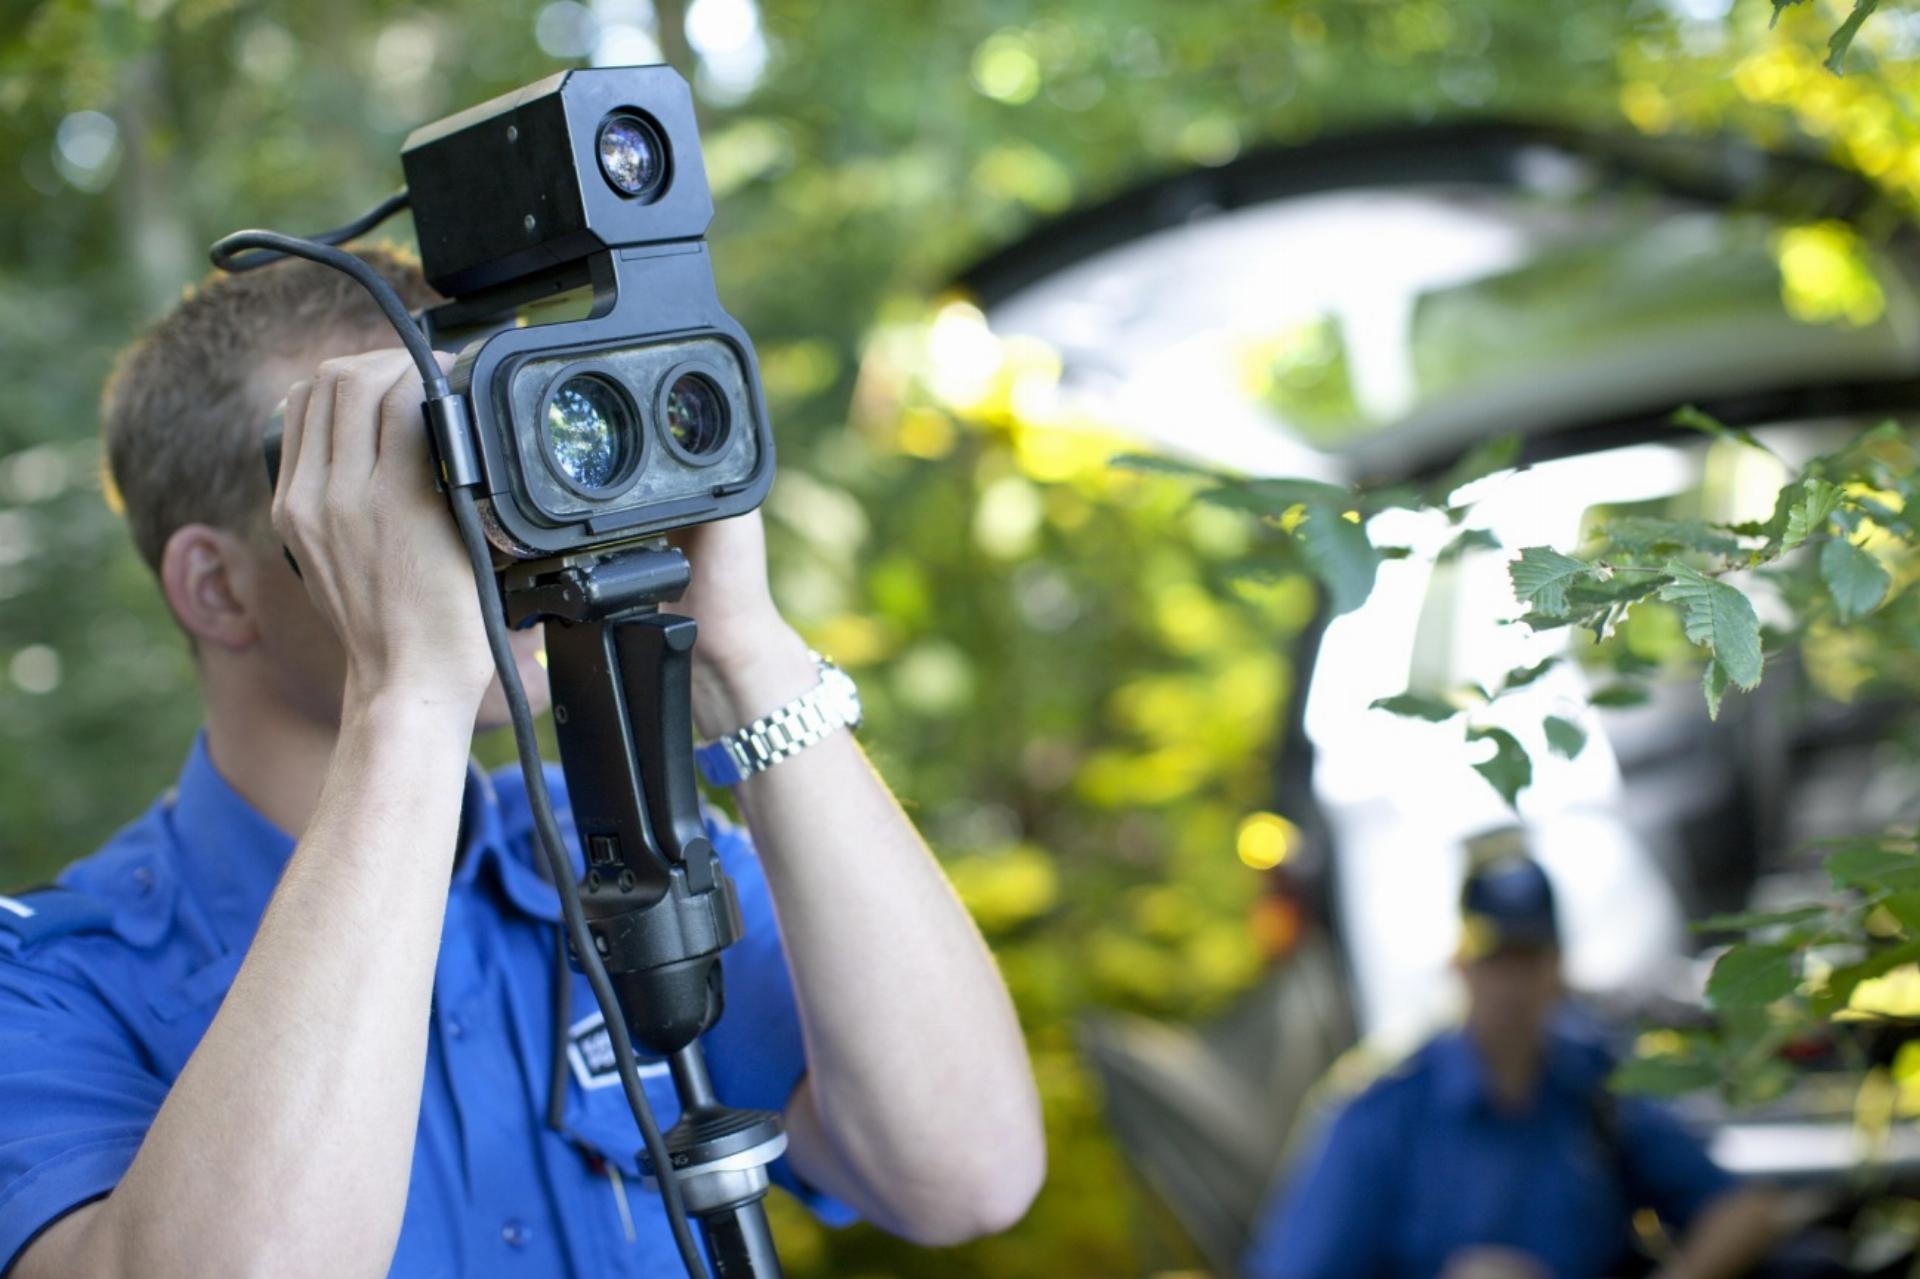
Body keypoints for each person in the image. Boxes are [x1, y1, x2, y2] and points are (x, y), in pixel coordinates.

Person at [0, 247, 1045, 1278]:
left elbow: (966, 1175)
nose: (498, 532)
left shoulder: (610, 843)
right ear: (218, 589)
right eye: (402, 473)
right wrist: (409, 694)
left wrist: (742, 647)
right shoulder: (46, 985)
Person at [1242, 851, 1786, 1279]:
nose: (1511, 985)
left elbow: (1741, 1212)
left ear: (1557, 970)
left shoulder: (1594, 1083)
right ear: (1461, 968)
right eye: (1494, 961)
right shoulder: (1385, 1115)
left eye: (1528, 959)